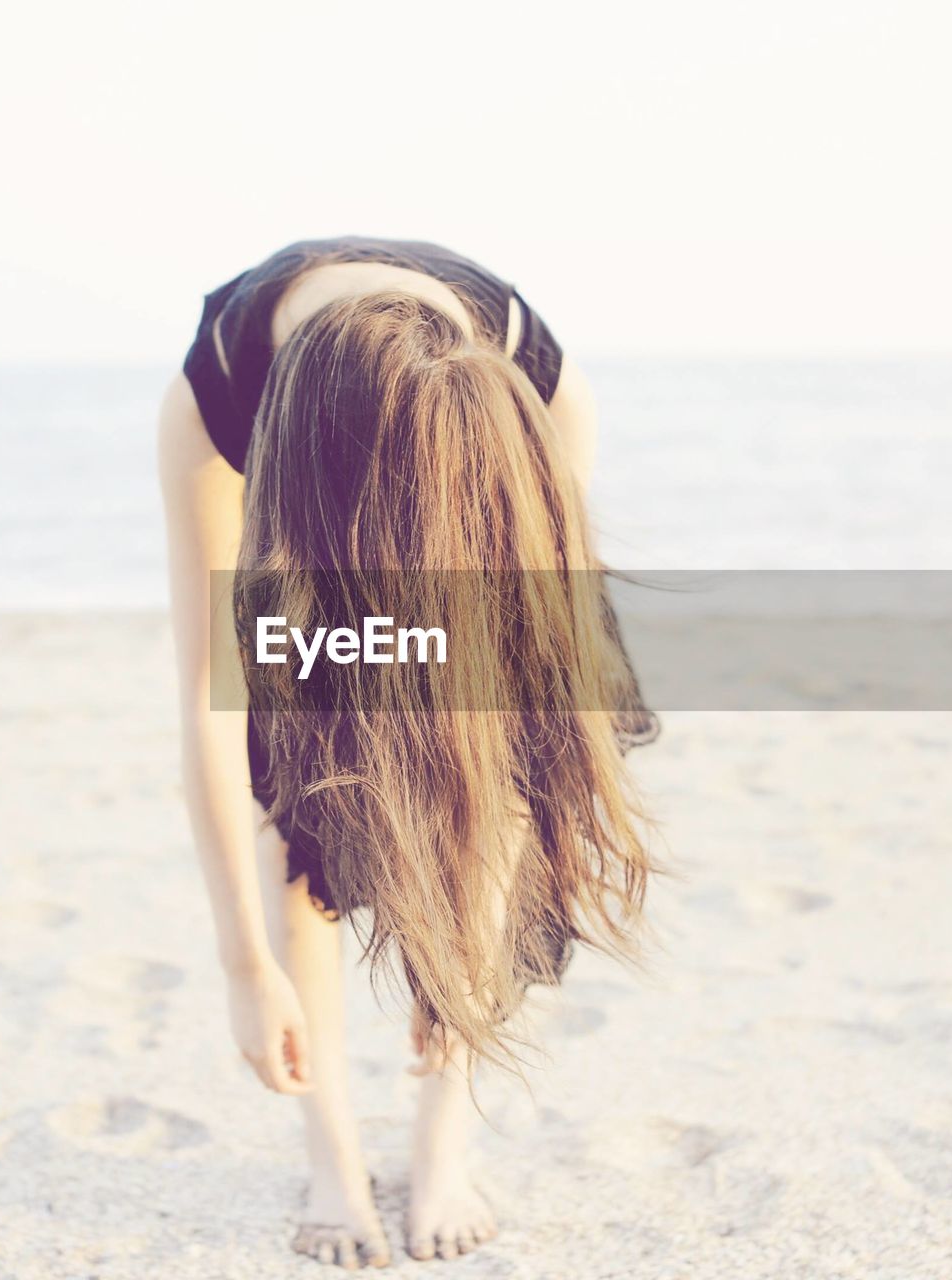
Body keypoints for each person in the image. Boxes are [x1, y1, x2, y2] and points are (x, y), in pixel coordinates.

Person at [157, 237, 656, 1268]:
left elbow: (523, 680)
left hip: (479, 588)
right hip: (312, 578)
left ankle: (443, 1135)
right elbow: (214, 700)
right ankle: (331, 1157)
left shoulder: (535, 383)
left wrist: (460, 961)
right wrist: (242, 962)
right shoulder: (218, 394)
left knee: (492, 790)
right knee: (302, 815)